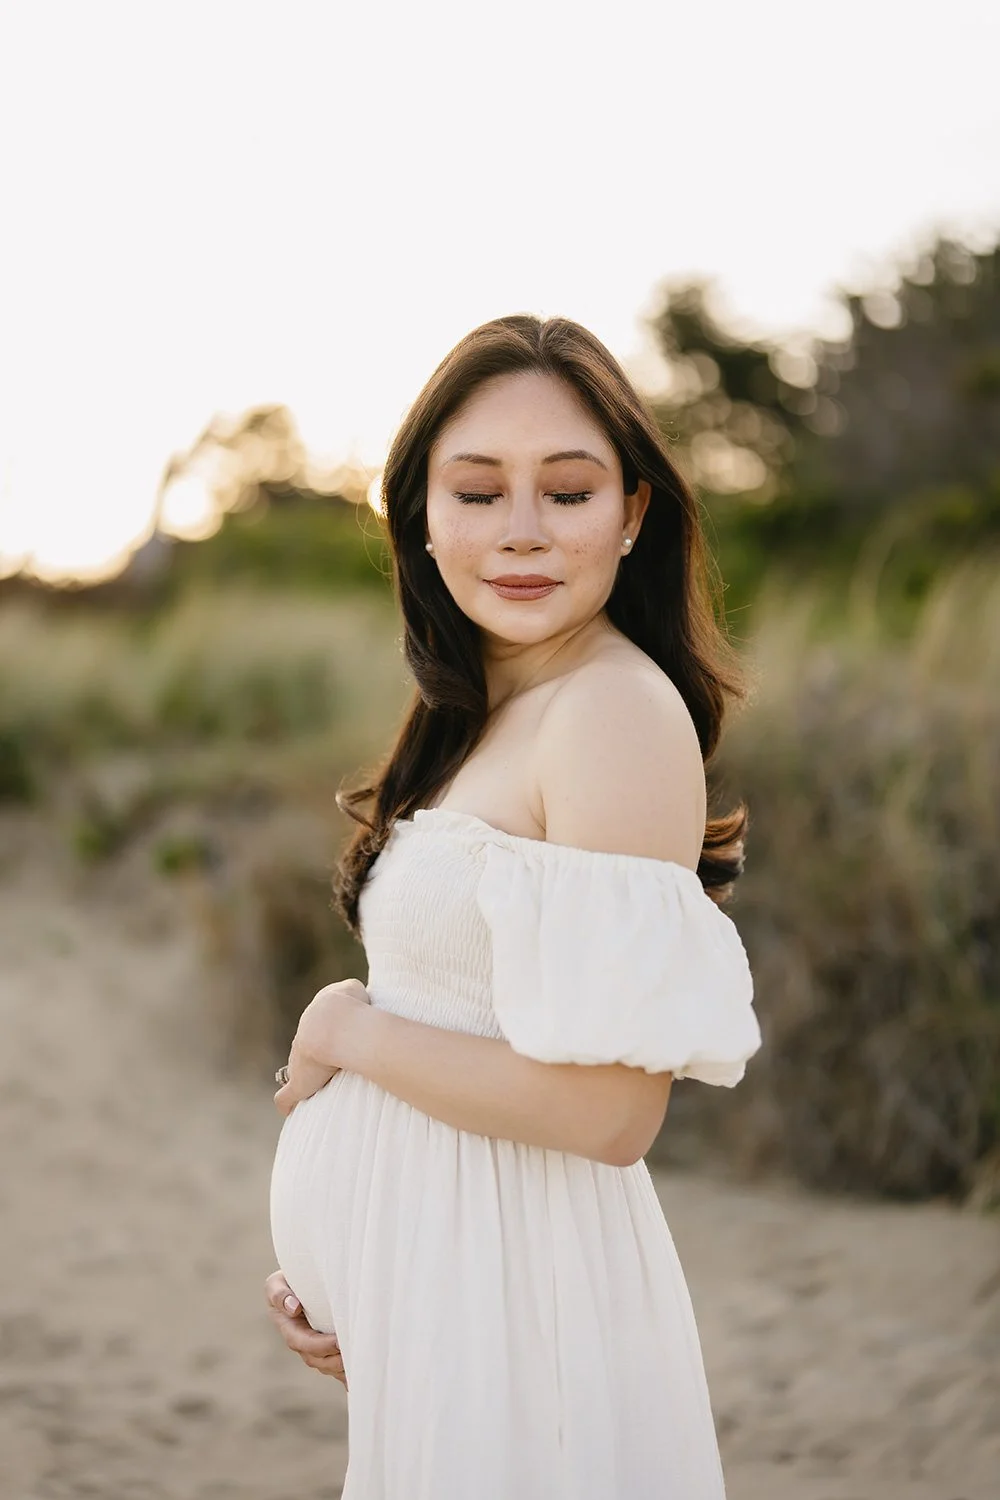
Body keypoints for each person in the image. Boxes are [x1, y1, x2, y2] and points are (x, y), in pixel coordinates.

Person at [265, 313, 762, 1498]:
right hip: (450, 1301)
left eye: (569, 491)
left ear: (634, 512)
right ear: (420, 516)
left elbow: (607, 1116)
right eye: (478, 492)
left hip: (522, 1301)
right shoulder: (486, 706)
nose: (523, 533)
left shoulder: (611, 713)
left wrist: (347, 1028)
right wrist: (361, 1272)